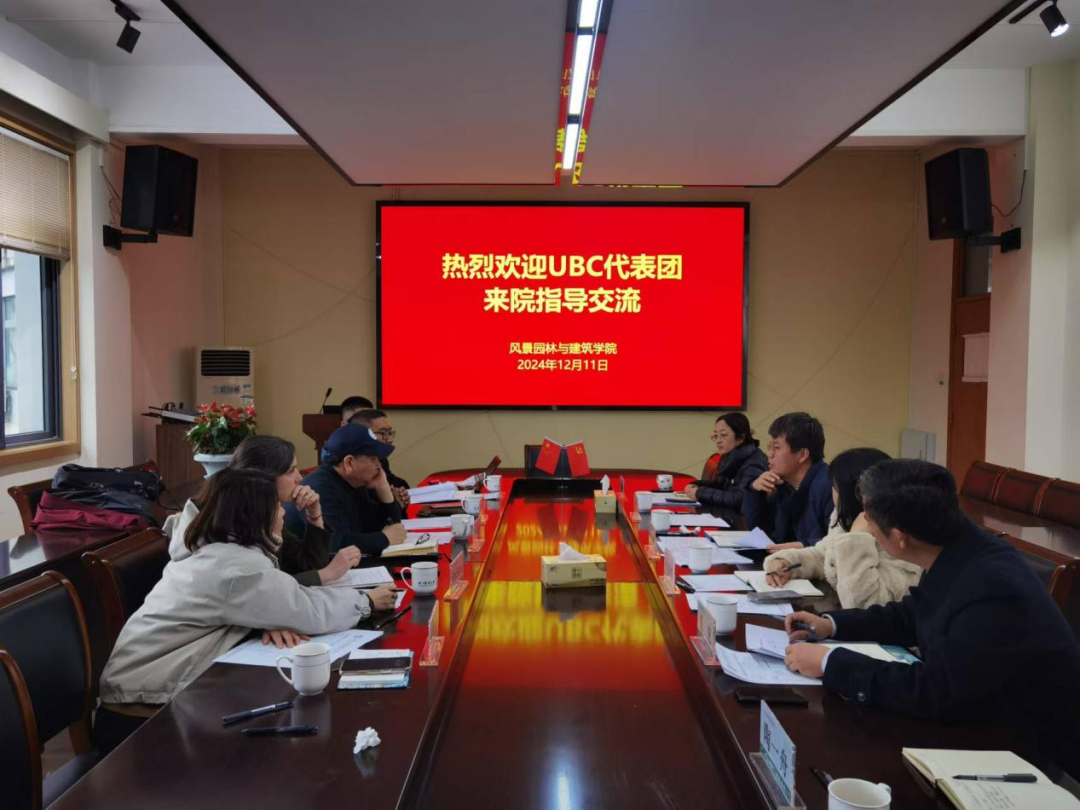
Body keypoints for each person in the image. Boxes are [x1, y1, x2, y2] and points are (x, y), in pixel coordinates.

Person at [783, 460, 1080, 779]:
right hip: (979, 724)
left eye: (869, 520)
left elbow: (938, 691)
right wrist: (832, 625)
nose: (865, 525)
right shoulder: (957, 547)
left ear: (899, 537)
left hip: (1029, 756)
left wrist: (831, 663)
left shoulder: (989, 585)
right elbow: (911, 613)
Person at [96, 468, 395, 753]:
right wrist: (366, 602)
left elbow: (276, 600)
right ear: (254, 515)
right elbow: (308, 609)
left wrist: (267, 619)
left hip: (149, 692)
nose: (282, 514)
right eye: (275, 507)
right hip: (139, 716)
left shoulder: (215, 547)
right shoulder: (236, 566)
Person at [763, 448, 921, 609]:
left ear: (854, 494)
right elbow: (825, 556)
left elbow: (863, 604)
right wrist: (786, 562)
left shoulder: (901, 538)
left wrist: (856, 539)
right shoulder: (846, 519)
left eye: (835, 487)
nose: (832, 493)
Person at [289, 423, 407, 556]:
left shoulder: (354, 481)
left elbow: (388, 527)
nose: (379, 464)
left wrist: (383, 488)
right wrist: (384, 538)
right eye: (373, 458)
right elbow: (332, 545)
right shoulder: (321, 489)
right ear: (349, 463)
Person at [742, 412, 832, 549]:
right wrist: (755, 491)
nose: (769, 454)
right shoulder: (784, 484)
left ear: (802, 454)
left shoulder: (829, 487)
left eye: (776, 447)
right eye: (770, 447)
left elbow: (838, 542)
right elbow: (760, 531)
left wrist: (799, 547)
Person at [685, 412, 767, 524]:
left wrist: (700, 492)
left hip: (746, 525)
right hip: (729, 518)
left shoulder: (754, 462)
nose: (718, 441)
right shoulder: (730, 455)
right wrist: (697, 485)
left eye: (723, 435)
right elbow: (721, 484)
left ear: (741, 438)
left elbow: (741, 499)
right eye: (716, 436)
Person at [348, 408, 410, 506]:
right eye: (383, 433)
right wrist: (392, 502)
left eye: (390, 433)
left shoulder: (381, 459)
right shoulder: (353, 467)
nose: (390, 440)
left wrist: (401, 493)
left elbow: (394, 482)